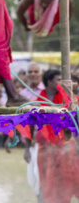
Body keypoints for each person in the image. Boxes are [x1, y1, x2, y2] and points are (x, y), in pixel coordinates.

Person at [24, 70, 79, 203]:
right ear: (49, 82)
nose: (63, 83)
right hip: (45, 150)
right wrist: (26, 149)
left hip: (67, 148)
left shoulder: (71, 100)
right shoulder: (36, 102)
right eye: (59, 80)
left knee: (71, 181)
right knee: (47, 185)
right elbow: (28, 127)